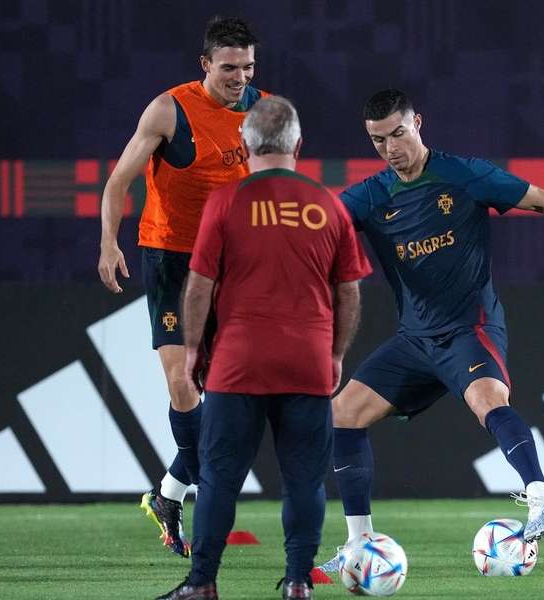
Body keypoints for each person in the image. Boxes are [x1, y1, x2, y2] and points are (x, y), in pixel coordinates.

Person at [319, 89, 544, 570]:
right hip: (414, 339)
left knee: (487, 401)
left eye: (398, 134)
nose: (391, 148)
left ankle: (541, 499)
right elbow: (316, 228)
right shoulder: (369, 197)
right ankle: (360, 543)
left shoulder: (464, 175)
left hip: (470, 326)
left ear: (418, 123)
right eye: (378, 140)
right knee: (342, 414)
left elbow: (541, 200)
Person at [156, 97, 372, 600]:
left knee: (219, 480)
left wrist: (192, 350)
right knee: (303, 482)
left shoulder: (225, 204)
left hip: (237, 365)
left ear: (244, 144)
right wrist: (336, 353)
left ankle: (202, 583)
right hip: (307, 363)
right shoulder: (329, 206)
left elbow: (198, 285)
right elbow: (349, 291)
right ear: (298, 145)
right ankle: (298, 583)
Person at [97, 16, 269, 557]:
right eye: (228, 68)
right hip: (171, 258)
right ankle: (204, 488)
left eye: (247, 67)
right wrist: (108, 242)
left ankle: (169, 493)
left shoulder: (264, 110)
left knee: (234, 397)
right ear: (205, 65)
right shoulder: (168, 110)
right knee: (182, 385)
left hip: (232, 263)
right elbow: (119, 180)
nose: (239, 77)